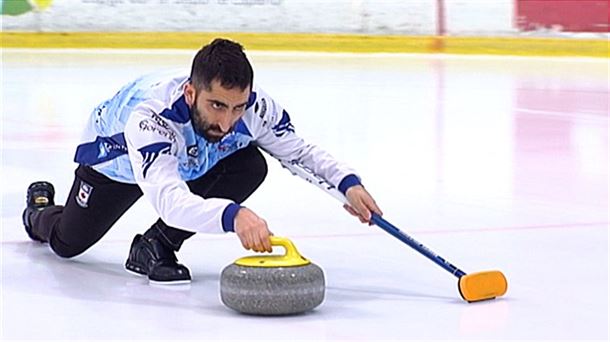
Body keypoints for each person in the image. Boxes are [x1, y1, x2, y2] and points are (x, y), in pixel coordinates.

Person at [22, 38, 382, 284]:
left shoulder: (253, 111)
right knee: (66, 244)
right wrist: (232, 215)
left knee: (250, 164)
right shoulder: (151, 118)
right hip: (115, 163)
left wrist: (347, 185)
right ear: (191, 93)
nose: (227, 123)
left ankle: (155, 246)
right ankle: (38, 210)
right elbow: (168, 199)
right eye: (217, 106)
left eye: (238, 107)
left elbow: (299, 153)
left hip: (187, 158)